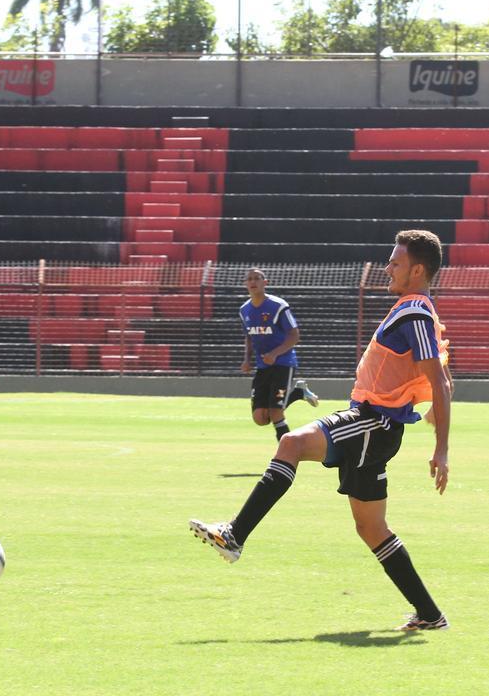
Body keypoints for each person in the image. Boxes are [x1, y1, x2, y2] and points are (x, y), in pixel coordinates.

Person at [191, 230, 453, 632]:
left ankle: (234, 535)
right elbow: (437, 370)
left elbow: (440, 378)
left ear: (417, 270)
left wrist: (442, 448)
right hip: (375, 425)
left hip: (373, 423)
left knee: (291, 442)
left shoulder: (415, 310)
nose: (388, 267)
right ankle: (431, 615)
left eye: (396, 263)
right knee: (371, 528)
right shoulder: (414, 308)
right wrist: (432, 409)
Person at [239, 267, 319, 441]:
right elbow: (249, 336)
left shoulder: (278, 306)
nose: (253, 281)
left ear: (265, 283)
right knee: (260, 418)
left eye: (257, 278)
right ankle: (298, 393)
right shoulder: (244, 310)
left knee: (276, 412)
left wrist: (275, 354)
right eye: (250, 279)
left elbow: (294, 334)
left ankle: (286, 455)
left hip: (283, 363)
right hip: (263, 366)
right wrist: (247, 360)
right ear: (245, 283)